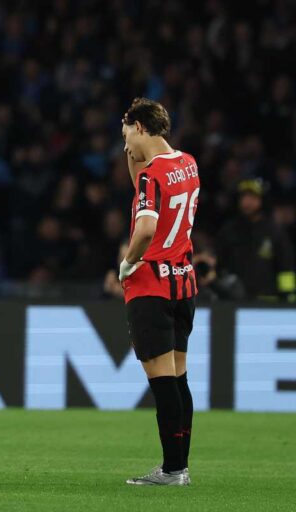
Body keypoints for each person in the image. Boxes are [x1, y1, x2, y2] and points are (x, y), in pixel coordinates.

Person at [118, 98, 199, 486]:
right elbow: (145, 186)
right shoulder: (187, 163)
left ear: (140, 127)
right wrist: (134, 157)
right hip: (183, 282)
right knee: (179, 378)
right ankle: (179, 467)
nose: (126, 147)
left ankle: (171, 471)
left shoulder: (152, 176)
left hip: (151, 286)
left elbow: (147, 227)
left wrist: (128, 262)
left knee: (162, 382)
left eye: (127, 136)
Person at [215, 179, 296, 301]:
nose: (247, 202)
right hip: (234, 303)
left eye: (253, 198)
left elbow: (285, 267)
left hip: (268, 302)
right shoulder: (229, 232)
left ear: (262, 200)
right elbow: (220, 266)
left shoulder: (274, 232)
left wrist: (289, 296)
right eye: (244, 197)